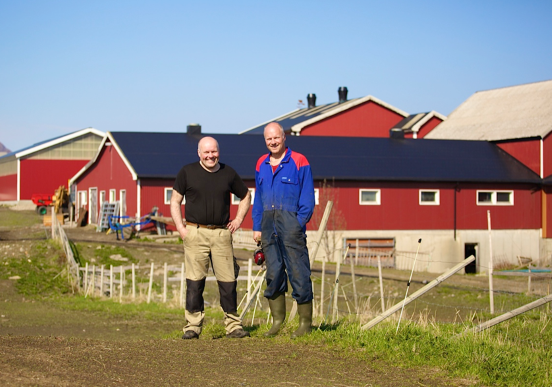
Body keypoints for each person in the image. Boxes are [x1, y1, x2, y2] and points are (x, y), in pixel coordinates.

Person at [171, 136, 252, 339]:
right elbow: (175, 201)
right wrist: (181, 228)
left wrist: (239, 219)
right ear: (199, 153)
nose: (210, 156)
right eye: (206, 152)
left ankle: (233, 326)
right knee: (194, 282)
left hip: (221, 234)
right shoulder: (187, 172)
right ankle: (192, 326)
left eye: (213, 152)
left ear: (218, 152)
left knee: (228, 282)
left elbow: (246, 195)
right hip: (195, 233)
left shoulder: (228, 173)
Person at [252, 122, 315, 338]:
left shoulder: (299, 161)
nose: (273, 142)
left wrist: (298, 223)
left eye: (276, 137)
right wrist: (256, 226)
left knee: (298, 271)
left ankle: (305, 324)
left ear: (284, 137)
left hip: (291, 224)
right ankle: (278, 321)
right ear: (265, 140)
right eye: (269, 139)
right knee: (274, 271)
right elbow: (258, 199)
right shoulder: (261, 163)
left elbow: (307, 197)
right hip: (268, 225)